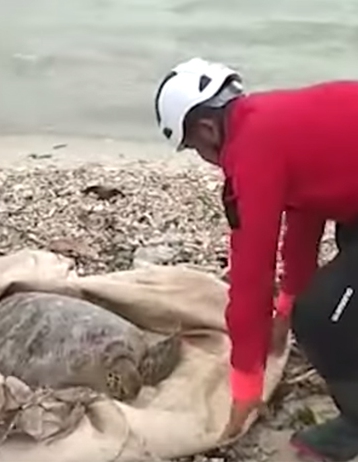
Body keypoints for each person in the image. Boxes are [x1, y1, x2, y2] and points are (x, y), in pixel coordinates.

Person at [153, 57, 358, 461]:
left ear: (207, 129)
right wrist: (286, 305)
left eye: (194, 147)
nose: (205, 159)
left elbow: (251, 273)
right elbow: (306, 210)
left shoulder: (251, 152)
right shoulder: (270, 119)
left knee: (320, 318)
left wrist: (246, 385)